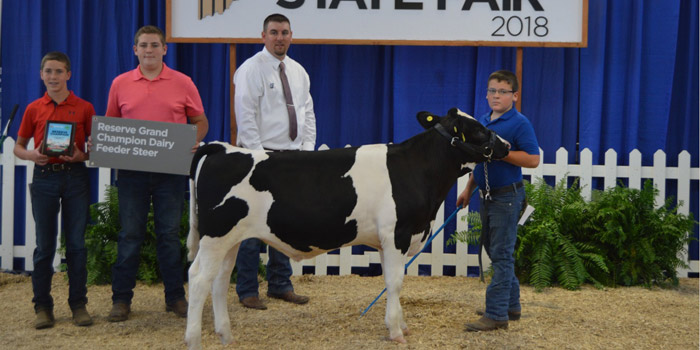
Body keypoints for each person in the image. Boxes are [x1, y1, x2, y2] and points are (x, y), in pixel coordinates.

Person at [105, 25, 209, 322]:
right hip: (131, 174)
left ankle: (175, 297)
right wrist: (103, 142)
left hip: (170, 173)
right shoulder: (120, 83)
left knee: (168, 235)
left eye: (154, 45)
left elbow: (200, 121)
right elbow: (112, 124)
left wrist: (194, 140)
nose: (149, 50)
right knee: (129, 236)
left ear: (165, 49)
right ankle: (121, 300)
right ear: (134, 49)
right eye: (143, 45)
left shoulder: (183, 82)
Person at [232, 13, 315, 310]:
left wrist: (306, 151)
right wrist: (257, 156)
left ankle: (280, 285)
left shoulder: (298, 71)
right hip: (259, 157)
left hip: (292, 159)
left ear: (291, 35)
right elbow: (246, 117)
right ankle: (247, 290)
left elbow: (307, 113)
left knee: (285, 225)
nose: (280, 38)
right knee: (252, 227)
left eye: (284, 32)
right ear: (263, 36)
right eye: (274, 32)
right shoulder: (250, 69)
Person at [14, 51, 95, 329]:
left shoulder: (84, 107)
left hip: (75, 178)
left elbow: (93, 150)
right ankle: (42, 307)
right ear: (41, 75)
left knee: (76, 245)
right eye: (48, 71)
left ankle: (78, 305)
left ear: (68, 75)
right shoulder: (34, 108)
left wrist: (81, 156)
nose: (53, 77)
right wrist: (32, 155)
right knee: (44, 246)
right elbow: (18, 146)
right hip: (45, 177)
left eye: (59, 71)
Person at [456, 70, 540, 332]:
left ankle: (496, 315)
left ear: (514, 96)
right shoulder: (483, 121)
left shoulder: (519, 123)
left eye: (502, 92)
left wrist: (503, 154)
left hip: (507, 196)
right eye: (492, 90)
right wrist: (469, 188)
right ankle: (511, 307)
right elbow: (480, 161)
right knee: (495, 250)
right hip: (486, 194)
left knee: (501, 255)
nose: (496, 96)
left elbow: (533, 159)